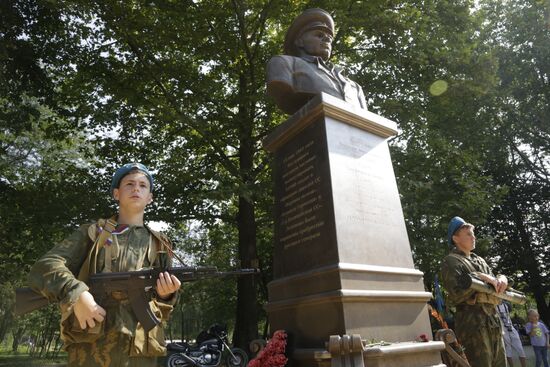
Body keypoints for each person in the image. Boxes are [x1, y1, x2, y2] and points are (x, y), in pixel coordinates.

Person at [27, 163, 182, 367]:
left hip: (139, 352)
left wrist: (167, 294)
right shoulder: (93, 233)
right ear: (116, 194)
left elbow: (165, 302)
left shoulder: (160, 244)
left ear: (150, 198)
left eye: (143, 185)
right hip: (91, 348)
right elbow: (46, 266)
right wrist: (78, 294)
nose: (137, 188)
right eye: (129, 184)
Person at [266, 8, 368, 114]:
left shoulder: (354, 87)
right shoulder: (284, 63)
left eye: (330, 37)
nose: (327, 39)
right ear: (299, 41)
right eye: (319, 35)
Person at [440, 216, 508, 367]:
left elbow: (495, 288)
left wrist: (502, 278)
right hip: (473, 327)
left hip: (493, 322)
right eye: (468, 234)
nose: (473, 237)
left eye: (473, 233)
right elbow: (456, 294)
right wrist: (479, 278)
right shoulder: (451, 261)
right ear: (455, 238)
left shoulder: (480, 261)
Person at [497, 302, 527, 367]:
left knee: (520, 349)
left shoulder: (506, 304)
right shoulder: (494, 306)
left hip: (511, 328)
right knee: (508, 350)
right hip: (503, 330)